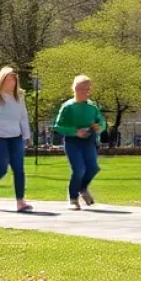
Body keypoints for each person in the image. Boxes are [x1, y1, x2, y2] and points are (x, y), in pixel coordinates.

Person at [0, 66, 33, 212]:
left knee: (19, 169)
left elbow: (23, 117)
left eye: (14, 79)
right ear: (2, 80)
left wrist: (26, 135)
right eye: (9, 79)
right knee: (2, 169)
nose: (12, 82)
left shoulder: (19, 97)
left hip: (16, 137)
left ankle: (20, 201)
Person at [53, 74, 105, 211]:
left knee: (93, 167)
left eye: (88, 90)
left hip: (89, 141)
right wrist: (75, 132)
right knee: (79, 169)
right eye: (82, 90)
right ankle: (73, 198)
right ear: (75, 89)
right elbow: (58, 126)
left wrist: (99, 127)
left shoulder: (92, 107)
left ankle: (82, 188)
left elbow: (102, 122)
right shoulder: (68, 107)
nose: (85, 93)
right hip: (73, 142)